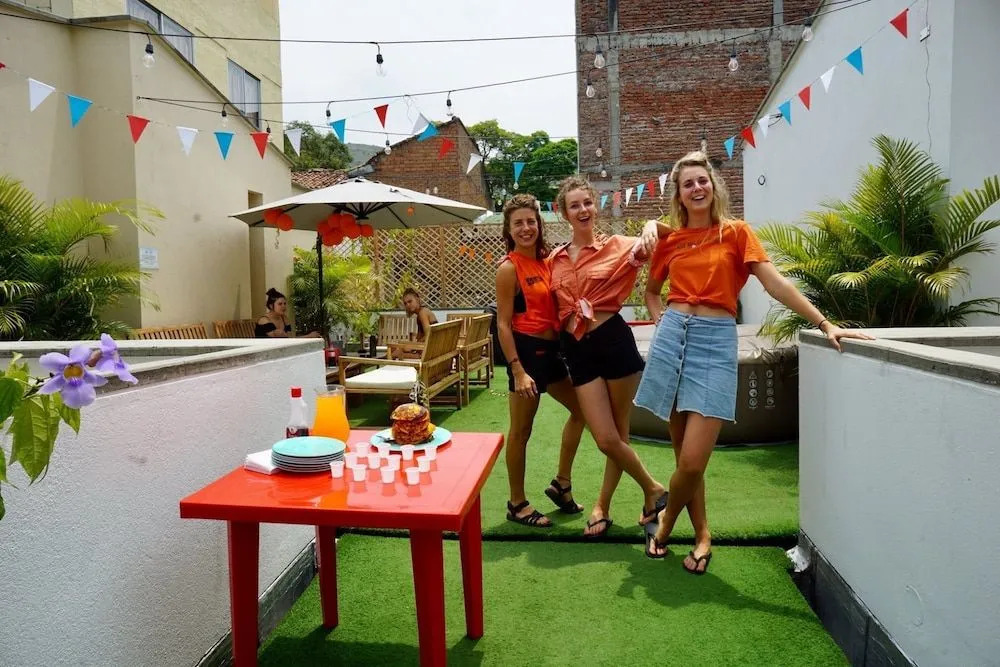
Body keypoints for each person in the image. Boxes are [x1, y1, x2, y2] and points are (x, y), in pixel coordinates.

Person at [638, 151, 874, 571]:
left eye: (702, 180)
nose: (697, 188)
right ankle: (703, 534)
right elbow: (652, 292)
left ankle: (666, 520)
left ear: (713, 186)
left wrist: (825, 324)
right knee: (682, 457)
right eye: (688, 183)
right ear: (678, 194)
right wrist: (660, 322)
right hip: (672, 338)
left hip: (714, 342)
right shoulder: (669, 240)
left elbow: (775, 283)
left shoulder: (736, 233)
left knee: (693, 461)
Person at [549, 175, 673, 538]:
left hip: (613, 341)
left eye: (587, 202)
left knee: (619, 433)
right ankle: (653, 489)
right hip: (577, 348)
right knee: (606, 438)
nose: (583, 210)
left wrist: (651, 224)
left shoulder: (620, 246)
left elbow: (669, 235)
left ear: (595, 206)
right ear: (564, 213)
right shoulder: (553, 260)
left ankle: (602, 507)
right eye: (574, 205)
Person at [495, 194, 587, 527]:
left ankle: (561, 484)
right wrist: (517, 370)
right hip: (526, 354)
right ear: (509, 229)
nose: (526, 228)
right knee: (521, 431)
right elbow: (503, 324)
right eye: (518, 223)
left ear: (539, 224)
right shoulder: (508, 268)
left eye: (530, 221)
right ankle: (517, 503)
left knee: (583, 411)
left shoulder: (547, 262)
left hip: (553, 353)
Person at [255, 288, 321, 339]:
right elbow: (281, 341)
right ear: (271, 306)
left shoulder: (284, 318)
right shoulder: (264, 320)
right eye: (280, 304)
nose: (283, 306)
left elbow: (290, 338)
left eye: (285, 303)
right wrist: (308, 336)